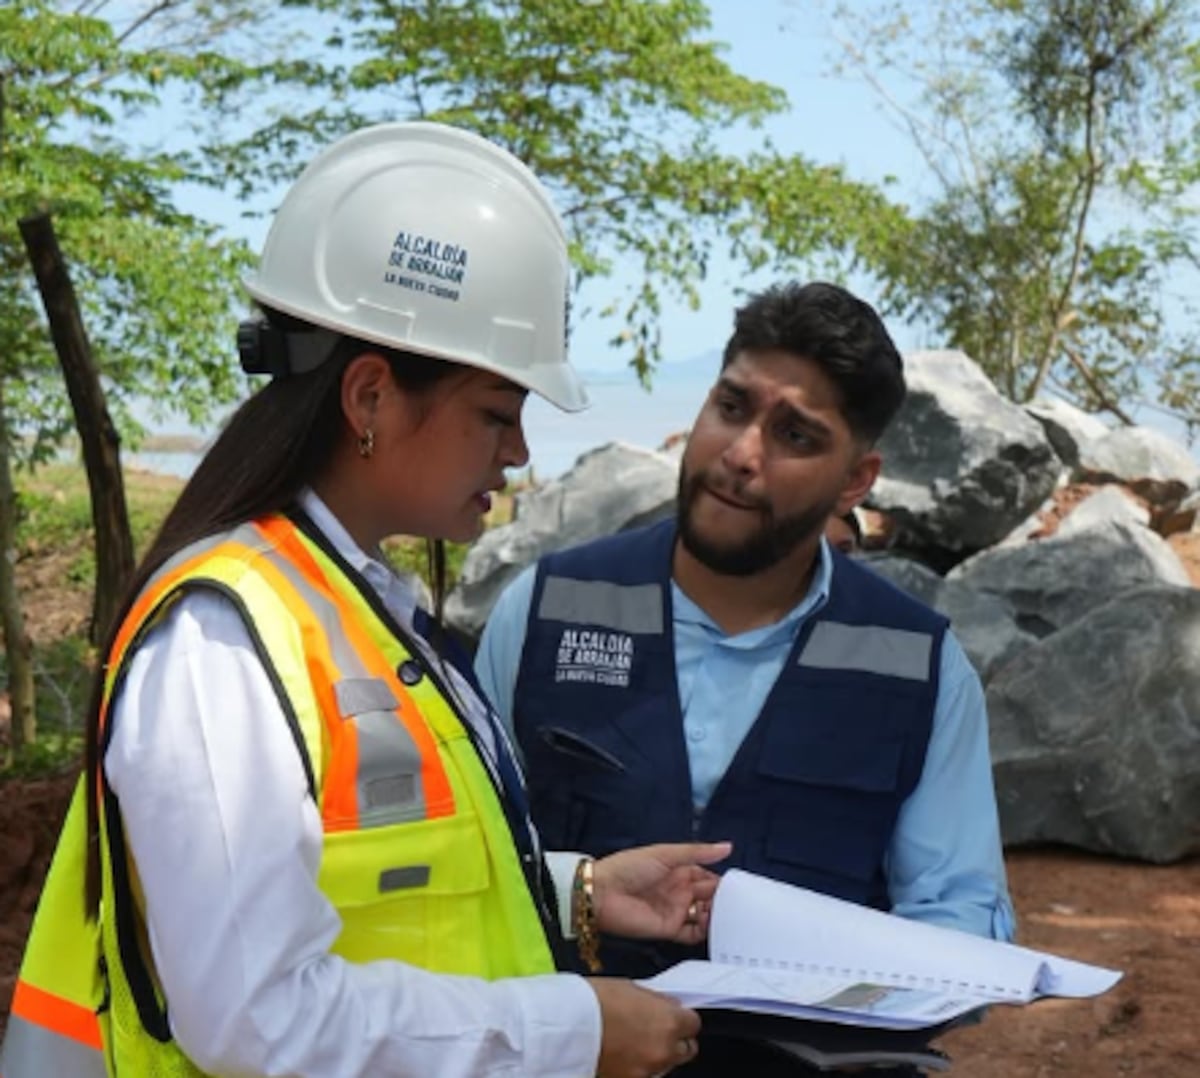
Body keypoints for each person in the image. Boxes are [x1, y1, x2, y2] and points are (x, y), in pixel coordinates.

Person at [0, 122, 734, 1078]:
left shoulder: (357, 608)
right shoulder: (222, 641)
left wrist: (576, 892)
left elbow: (375, 891)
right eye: (496, 412)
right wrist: (572, 1031)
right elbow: (256, 1018)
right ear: (371, 399)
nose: (518, 452)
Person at [475, 280, 1015, 1075]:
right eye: (731, 407)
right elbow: (471, 872)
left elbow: (956, 919)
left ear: (856, 480)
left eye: (796, 435)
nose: (741, 454)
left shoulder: (920, 665)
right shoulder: (544, 611)